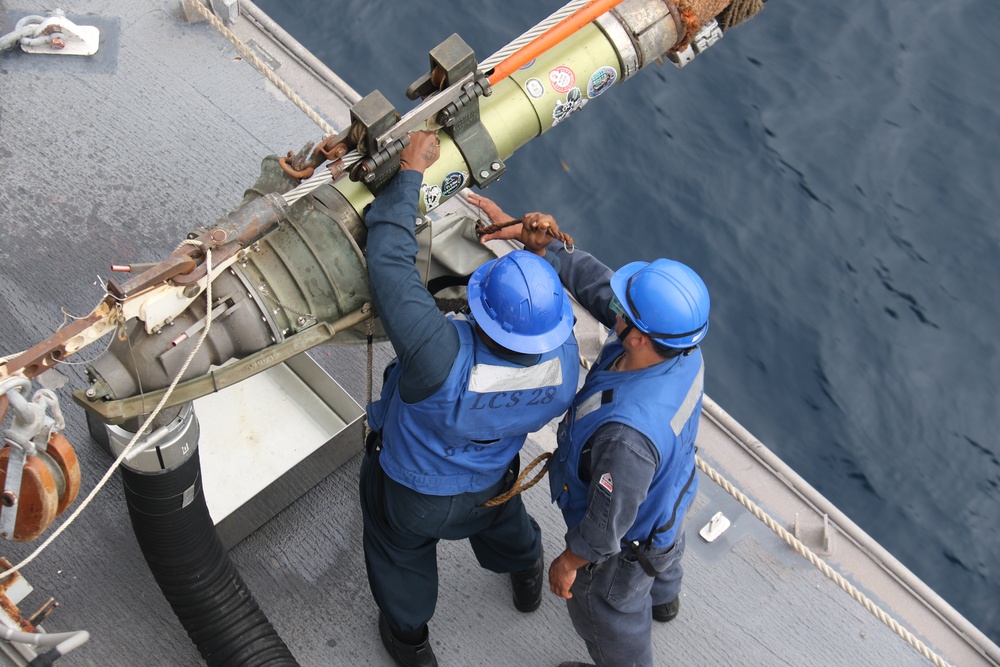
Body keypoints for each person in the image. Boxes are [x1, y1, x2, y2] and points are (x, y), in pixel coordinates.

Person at [359, 132, 581, 667]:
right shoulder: (566, 365)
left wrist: (410, 173)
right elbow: (536, 319)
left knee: (399, 553)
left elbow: (389, 265)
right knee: (507, 525)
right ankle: (526, 576)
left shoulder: (437, 354)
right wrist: (535, 254)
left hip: (412, 495)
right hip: (490, 486)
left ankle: (410, 641)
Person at [469, 192, 709, 667]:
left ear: (636, 336)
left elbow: (604, 527)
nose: (612, 305)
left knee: (607, 615)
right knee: (664, 553)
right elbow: (599, 287)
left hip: (625, 547)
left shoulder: (627, 440)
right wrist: (543, 250)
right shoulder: (682, 350)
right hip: (670, 498)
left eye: (623, 308)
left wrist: (569, 563)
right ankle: (664, 599)